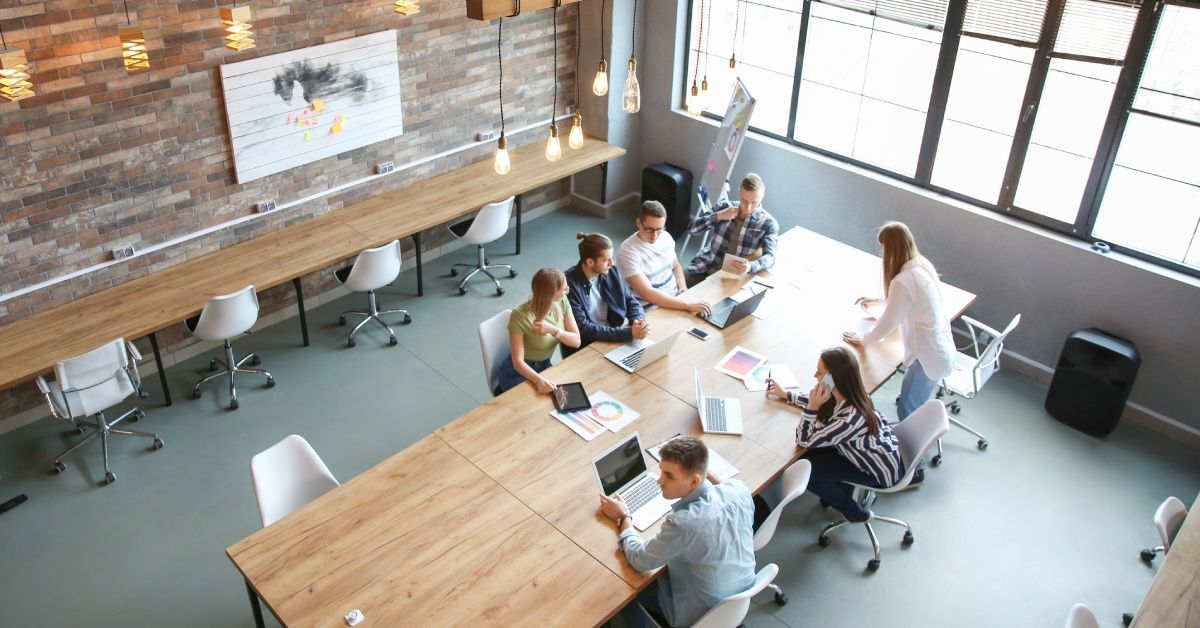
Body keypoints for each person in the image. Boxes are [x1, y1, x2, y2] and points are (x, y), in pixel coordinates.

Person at [599, 436, 755, 628]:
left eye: (669, 476)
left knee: (623, 591)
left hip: (701, 614)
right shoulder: (740, 490)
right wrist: (699, 469)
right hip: (739, 596)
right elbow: (722, 489)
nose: (660, 481)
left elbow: (639, 559)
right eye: (661, 471)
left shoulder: (683, 524)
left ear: (694, 481)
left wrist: (623, 517)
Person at [766, 347, 904, 523]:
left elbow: (803, 439)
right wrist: (786, 394)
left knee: (806, 474)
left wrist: (812, 409)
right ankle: (840, 489)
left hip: (876, 471)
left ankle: (854, 513)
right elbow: (825, 406)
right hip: (865, 452)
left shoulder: (849, 420)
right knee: (806, 458)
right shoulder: (851, 394)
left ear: (833, 379)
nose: (815, 376)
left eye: (819, 372)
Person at [842, 221, 955, 423]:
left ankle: (910, 453)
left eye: (883, 248)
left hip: (926, 358)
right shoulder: (921, 265)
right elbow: (912, 300)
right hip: (941, 348)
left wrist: (863, 339)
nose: (883, 253)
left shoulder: (903, 280)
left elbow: (886, 326)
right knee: (911, 404)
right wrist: (880, 301)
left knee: (907, 412)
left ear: (891, 248)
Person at [495, 268, 581, 395]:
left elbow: (576, 341)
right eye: (564, 289)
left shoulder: (562, 301)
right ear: (551, 293)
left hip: (545, 365)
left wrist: (553, 330)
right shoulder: (519, 315)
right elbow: (518, 362)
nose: (567, 292)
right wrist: (539, 380)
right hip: (519, 371)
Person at [618, 201, 712, 316]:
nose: (655, 236)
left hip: (676, 298)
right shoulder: (627, 251)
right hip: (650, 308)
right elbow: (648, 294)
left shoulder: (666, 237)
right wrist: (686, 305)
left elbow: (676, 266)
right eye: (649, 229)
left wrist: (682, 289)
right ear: (638, 222)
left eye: (659, 229)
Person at [563, 232, 649, 358]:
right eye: (606, 260)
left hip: (611, 337)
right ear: (590, 262)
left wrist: (639, 321)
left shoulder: (610, 270)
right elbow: (584, 328)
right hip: (585, 346)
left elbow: (629, 300)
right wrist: (628, 333)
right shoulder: (568, 284)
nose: (612, 263)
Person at [685, 173, 780, 285]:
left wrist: (751, 266)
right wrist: (718, 216)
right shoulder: (724, 207)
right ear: (739, 192)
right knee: (674, 288)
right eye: (744, 201)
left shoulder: (769, 224)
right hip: (704, 266)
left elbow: (771, 257)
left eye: (754, 202)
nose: (748, 207)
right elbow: (692, 229)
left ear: (762, 197)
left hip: (731, 277)